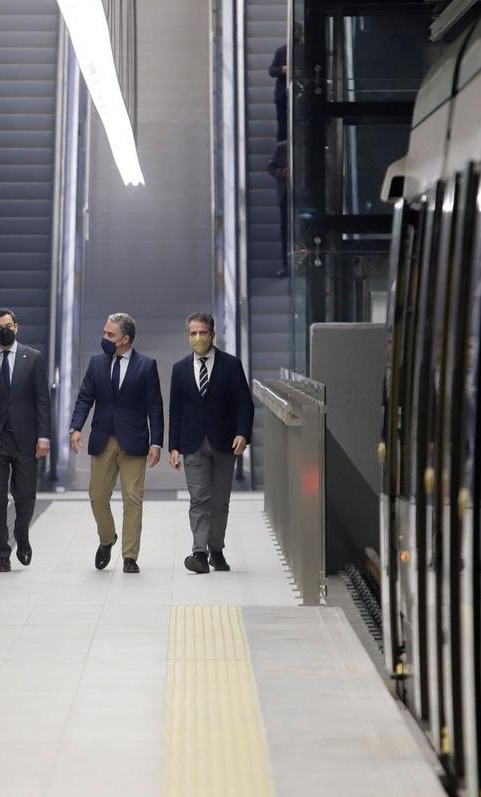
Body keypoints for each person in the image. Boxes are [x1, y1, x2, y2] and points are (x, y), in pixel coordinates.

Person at [68, 313, 164, 573]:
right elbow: (85, 397)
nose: (105, 338)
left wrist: (157, 442)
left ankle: (130, 556)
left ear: (125, 339)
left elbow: (155, 407)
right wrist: (76, 427)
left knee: (133, 498)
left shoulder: (146, 365)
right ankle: (107, 538)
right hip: (103, 439)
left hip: (134, 441)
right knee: (97, 497)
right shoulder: (97, 363)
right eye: (104, 333)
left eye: (110, 335)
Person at [168, 313, 255, 574]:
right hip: (193, 443)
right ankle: (199, 553)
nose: (197, 338)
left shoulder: (231, 365)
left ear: (212, 335)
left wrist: (242, 433)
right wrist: (173, 447)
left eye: (202, 333)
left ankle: (216, 549)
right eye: (193, 334)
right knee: (199, 499)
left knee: (219, 501)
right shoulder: (180, 368)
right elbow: (176, 410)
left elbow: (244, 403)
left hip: (225, 441)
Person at [0, 308, 52, 572]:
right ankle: (1, 552)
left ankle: (22, 536)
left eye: (7, 325)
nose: (3, 330)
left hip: (26, 440)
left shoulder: (33, 358)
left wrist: (44, 436)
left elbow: (42, 400)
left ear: (16, 327)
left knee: (25, 496)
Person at [267, 139, 289, 277]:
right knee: (285, 231)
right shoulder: (282, 147)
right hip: (286, 194)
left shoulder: (311, 144)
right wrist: (282, 172)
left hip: (304, 194)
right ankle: (286, 266)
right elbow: (270, 167)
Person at [269, 43, 288, 142]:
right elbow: (271, 71)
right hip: (282, 96)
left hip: (297, 95)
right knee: (282, 126)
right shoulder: (282, 51)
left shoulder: (302, 50)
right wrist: (282, 70)